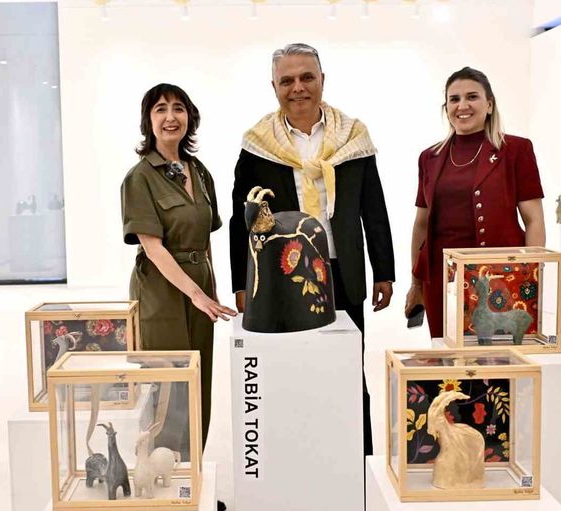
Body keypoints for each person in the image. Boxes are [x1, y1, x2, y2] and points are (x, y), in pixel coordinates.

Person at [229, 43, 395, 456]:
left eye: (307, 77)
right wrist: (242, 283)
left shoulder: (353, 137)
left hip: (343, 272)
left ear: (323, 80)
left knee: (349, 373)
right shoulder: (257, 145)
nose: (298, 87)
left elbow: (373, 207)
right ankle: (298, 460)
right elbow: (240, 219)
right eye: (287, 80)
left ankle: (358, 465)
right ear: (274, 87)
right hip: (283, 278)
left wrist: (384, 271)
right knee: (291, 373)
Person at [121, 83, 236, 450]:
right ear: (148, 120)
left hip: (199, 288)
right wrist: (198, 294)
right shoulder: (139, 177)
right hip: (161, 291)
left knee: (199, 381)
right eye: (160, 109)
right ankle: (163, 474)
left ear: (190, 117)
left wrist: (211, 292)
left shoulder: (198, 171)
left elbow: (205, 239)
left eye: (178, 108)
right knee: (168, 387)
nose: (170, 117)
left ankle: (193, 471)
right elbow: (153, 248)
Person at [405, 67, 545, 338]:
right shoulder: (429, 157)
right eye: (454, 99)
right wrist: (416, 284)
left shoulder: (516, 150)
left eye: (472, 97)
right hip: (441, 278)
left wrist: (530, 275)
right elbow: (421, 225)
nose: (462, 105)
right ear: (446, 108)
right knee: (446, 355)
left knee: (496, 354)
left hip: (498, 276)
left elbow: (534, 219)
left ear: (489, 105)